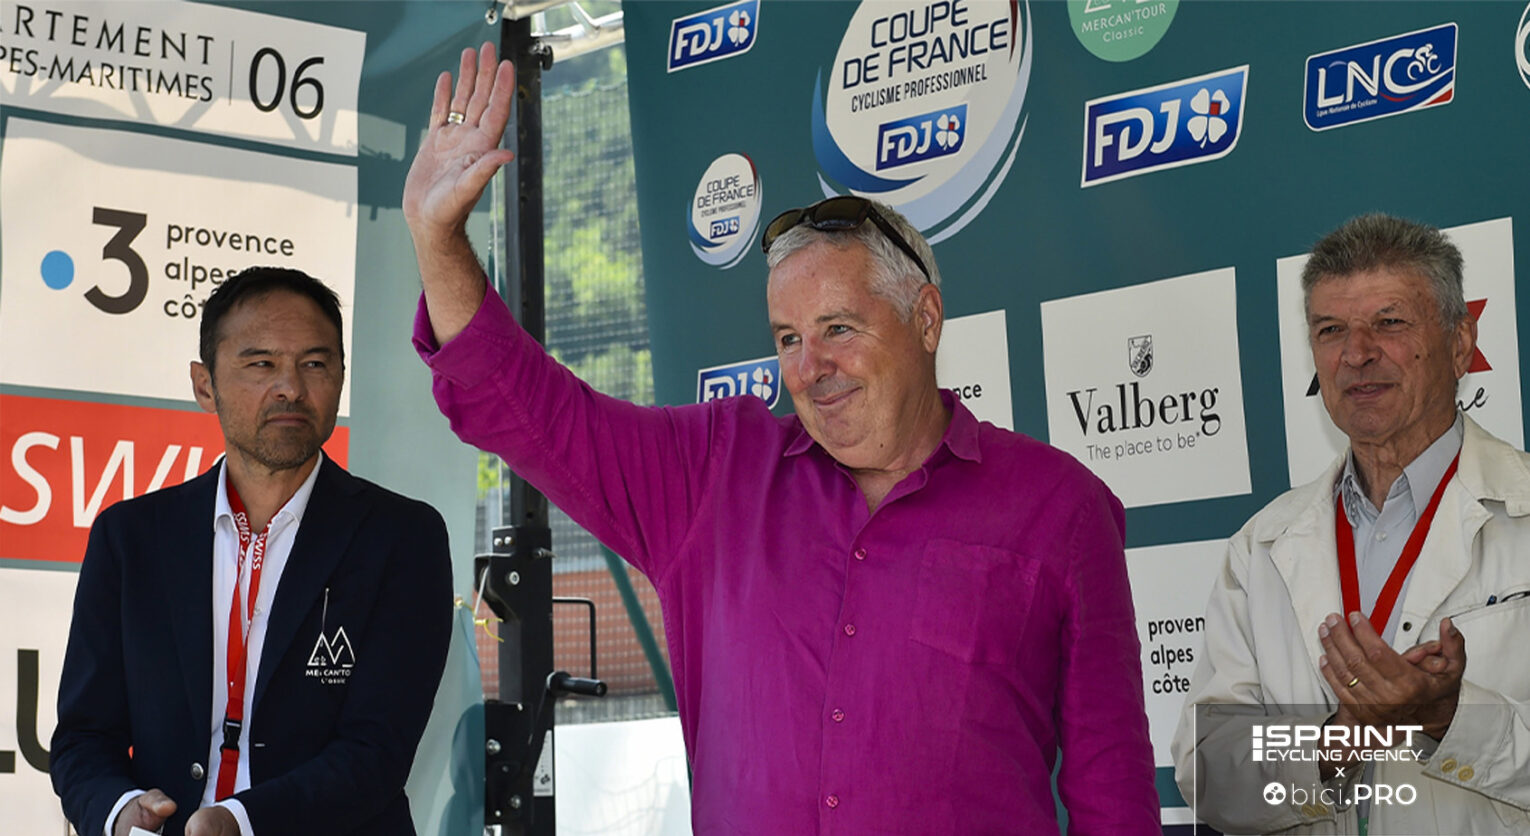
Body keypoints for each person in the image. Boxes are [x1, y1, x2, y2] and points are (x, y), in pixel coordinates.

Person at [405, 42, 1158, 834]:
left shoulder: (1059, 507)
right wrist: (437, 241)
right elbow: (520, 406)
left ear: (926, 320)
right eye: (788, 338)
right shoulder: (712, 474)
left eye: (839, 329)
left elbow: (1113, 790)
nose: (810, 367)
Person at [51, 268, 455, 836]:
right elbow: (83, 737)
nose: (290, 387)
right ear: (205, 385)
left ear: (341, 378)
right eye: (261, 363)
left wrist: (241, 820)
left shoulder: (403, 538)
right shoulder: (130, 537)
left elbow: (377, 749)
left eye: (314, 364)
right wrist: (121, 814)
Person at [1172, 214, 1530, 833]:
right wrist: (1342, 739)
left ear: (1459, 344)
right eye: (1331, 330)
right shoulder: (1262, 546)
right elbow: (1208, 769)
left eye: (1389, 323)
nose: (1356, 354)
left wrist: (1448, 718)